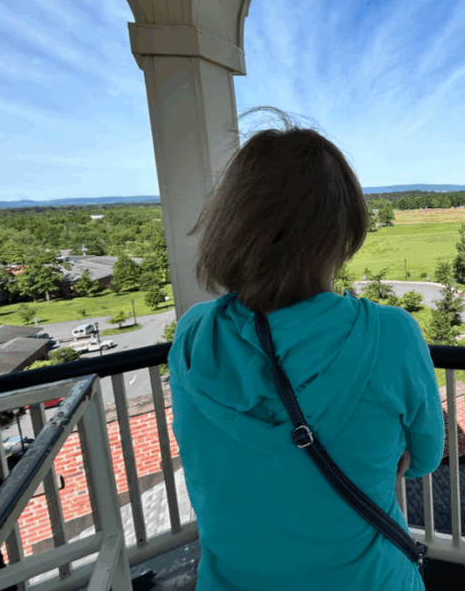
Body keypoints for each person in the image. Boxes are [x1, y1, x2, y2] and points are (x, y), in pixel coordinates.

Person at [167, 109, 445, 591]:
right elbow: (425, 457)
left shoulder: (195, 337)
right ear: (341, 230)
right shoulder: (389, 334)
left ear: (231, 225)